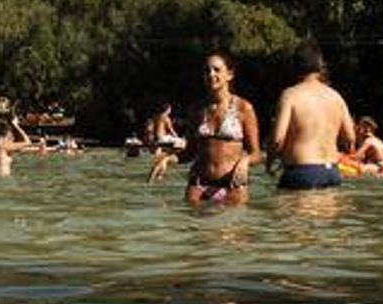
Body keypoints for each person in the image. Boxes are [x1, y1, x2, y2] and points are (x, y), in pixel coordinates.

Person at [151, 53, 261, 204]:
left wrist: (245, 161)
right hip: (198, 186)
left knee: (233, 226)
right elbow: (189, 152)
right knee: (193, 226)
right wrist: (167, 159)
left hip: (233, 187)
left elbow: (256, 153)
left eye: (216, 70)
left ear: (229, 74)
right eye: (206, 71)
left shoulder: (243, 108)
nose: (211, 74)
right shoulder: (196, 109)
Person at [269, 40, 353, 190]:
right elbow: (350, 138)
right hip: (332, 172)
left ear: (295, 67)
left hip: (302, 172)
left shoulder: (290, 95)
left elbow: (277, 139)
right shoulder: (336, 97)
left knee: (294, 214)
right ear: (320, 66)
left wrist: (270, 161)